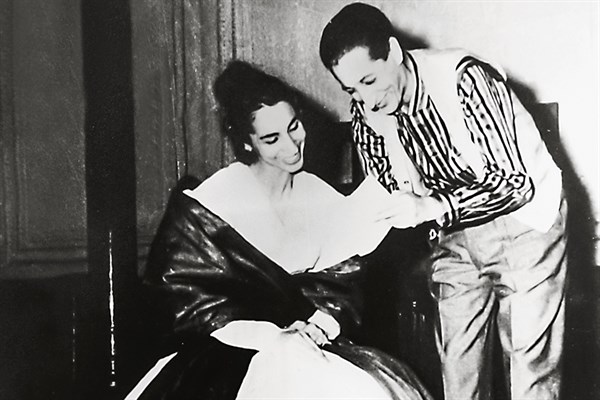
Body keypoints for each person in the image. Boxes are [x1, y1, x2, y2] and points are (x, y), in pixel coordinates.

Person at [127, 60, 433, 400]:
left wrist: (318, 327)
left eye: (294, 127)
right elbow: (186, 303)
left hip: (311, 342)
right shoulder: (213, 201)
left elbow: (343, 286)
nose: (291, 146)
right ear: (247, 143)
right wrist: (272, 337)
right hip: (231, 351)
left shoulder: (318, 194)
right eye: (272, 139)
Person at [319, 3, 567, 400]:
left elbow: (514, 184)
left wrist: (430, 207)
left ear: (393, 52)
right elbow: (387, 190)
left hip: (525, 225)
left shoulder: (465, 79)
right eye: (351, 90)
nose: (366, 100)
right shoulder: (367, 112)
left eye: (369, 80)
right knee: (458, 372)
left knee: (529, 373)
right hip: (453, 235)